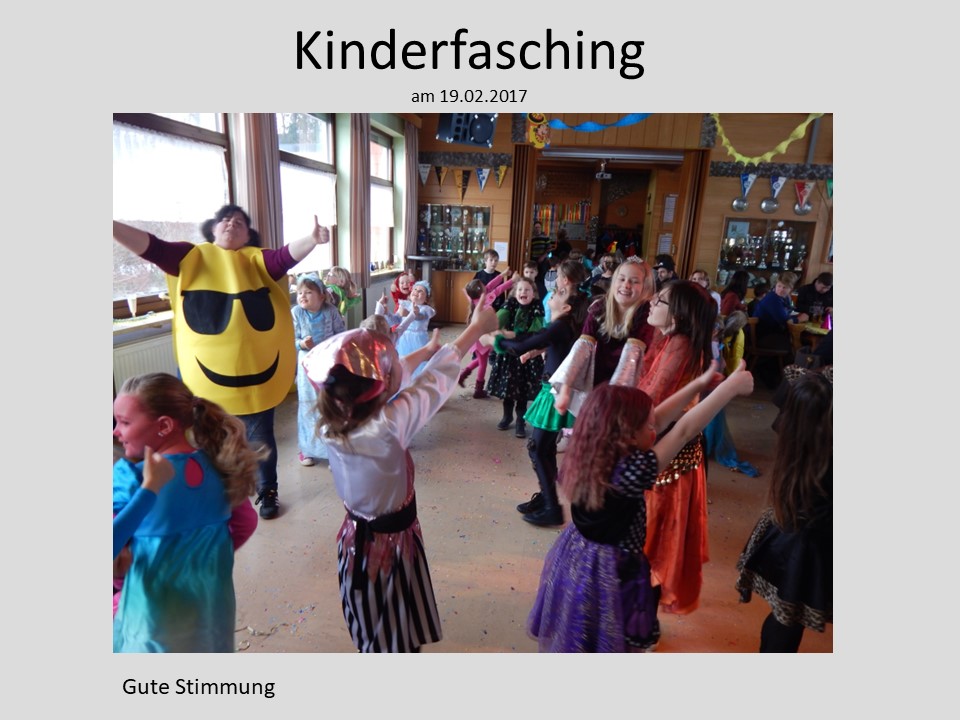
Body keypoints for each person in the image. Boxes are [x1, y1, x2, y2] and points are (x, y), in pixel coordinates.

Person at [301, 303, 499, 652]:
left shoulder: (338, 413)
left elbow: (397, 375)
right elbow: (431, 383)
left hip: (357, 538)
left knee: (375, 619)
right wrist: (475, 328)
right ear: (382, 387)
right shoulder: (388, 425)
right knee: (391, 630)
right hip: (386, 547)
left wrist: (426, 350)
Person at [112, 204, 331, 519]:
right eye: (225, 219)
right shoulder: (191, 258)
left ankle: (268, 490)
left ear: (248, 235)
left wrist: (311, 240)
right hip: (205, 376)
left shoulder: (257, 260)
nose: (232, 223)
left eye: (240, 221)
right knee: (205, 438)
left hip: (257, 372)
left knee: (260, 437)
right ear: (212, 229)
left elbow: (285, 257)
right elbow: (152, 247)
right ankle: (211, 492)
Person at [527, 363, 755, 652]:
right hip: (611, 568)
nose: (655, 428)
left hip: (578, 552)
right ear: (627, 434)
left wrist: (699, 384)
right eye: (648, 426)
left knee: (582, 620)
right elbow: (684, 431)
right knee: (607, 630)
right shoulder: (632, 470)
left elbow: (658, 418)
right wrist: (729, 389)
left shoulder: (595, 448)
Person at [112, 372, 262, 652]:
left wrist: (148, 491)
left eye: (124, 422)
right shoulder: (217, 464)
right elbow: (246, 522)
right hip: (210, 615)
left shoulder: (131, 478)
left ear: (164, 425)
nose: (115, 432)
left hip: (152, 624)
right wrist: (203, 555)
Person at [628, 280, 718, 619]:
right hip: (669, 446)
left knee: (653, 540)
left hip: (669, 457)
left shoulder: (680, 344)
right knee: (651, 539)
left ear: (678, 316)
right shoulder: (669, 339)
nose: (652, 302)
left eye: (661, 300)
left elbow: (649, 400)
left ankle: (643, 621)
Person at [735, 372, 832, 652]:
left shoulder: (796, 443)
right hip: (809, 546)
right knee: (787, 621)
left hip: (792, 538)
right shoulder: (827, 460)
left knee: (786, 618)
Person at [494, 285, 590, 527]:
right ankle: (546, 498)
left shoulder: (560, 326)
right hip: (554, 390)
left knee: (537, 448)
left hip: (555, 393)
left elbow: (524, 345)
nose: (554, 293)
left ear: (566, 307)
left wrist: (495, 341)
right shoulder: (564, 325)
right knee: (544, 448)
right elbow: (533, 339)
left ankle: (551, 508)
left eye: (559, 293)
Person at [551, 258, 657, 418]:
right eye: (622, 279)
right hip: (598, 377)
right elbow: (582, 347)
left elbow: (631, 358)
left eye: (634, 281)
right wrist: (566, 389)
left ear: (645, 286)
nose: (626, 285)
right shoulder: (600, 306)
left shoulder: (644, 313)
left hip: (628, 383)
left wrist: (615, 397)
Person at [292, 273, 346, 466]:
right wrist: (301, 344)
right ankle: (307, 449)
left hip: (328, 362)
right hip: (306, 363)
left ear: (322, 296)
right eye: (300, 292)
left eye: (308, 292)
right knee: (308, 404)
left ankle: (332, 450)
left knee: (329, 403)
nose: (302, 296)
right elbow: (291, 337)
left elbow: (341, 334)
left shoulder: (330, 311)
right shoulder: (297, 312)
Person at [486, 277, 545, 437]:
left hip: (527, 356)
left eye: (527, 290)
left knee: (523, 391)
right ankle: (507, 416)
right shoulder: (510, 304)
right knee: (508, 388)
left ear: (533, 294)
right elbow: (496, 322)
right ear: (514, 292)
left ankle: (520, 421)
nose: (523, 292)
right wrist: (498, 332)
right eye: (520, 289)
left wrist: (515, 336)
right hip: (509, 356)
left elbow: (535, 332)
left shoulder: (537, 307)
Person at [458, 268, 515, 398]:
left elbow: (490, 286)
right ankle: (478, 390)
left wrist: (502, 275)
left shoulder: (474, 298)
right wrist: (512, 281)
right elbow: (497, 290)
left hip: (479, 336)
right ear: (481, 292)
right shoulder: (485, 300)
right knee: (483, 363)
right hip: (482, 337)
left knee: (480, 359)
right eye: (483, 286)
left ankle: (463, 374)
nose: (486, 286)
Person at [394, 280, 436, 366]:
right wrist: (385, 312)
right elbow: (395, 319)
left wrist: (410, 314)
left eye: (421, 291)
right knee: (403, 360)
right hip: (404, 337)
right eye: (415, 289)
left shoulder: (427, 309)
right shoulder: (405, 305)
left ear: (426, 299)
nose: (416, 291)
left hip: (418, 339)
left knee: (419, 362)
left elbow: (421, 317)